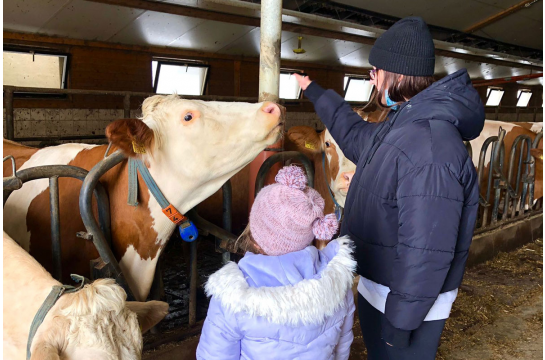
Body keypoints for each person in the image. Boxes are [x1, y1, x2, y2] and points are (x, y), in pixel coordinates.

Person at [294, 16, 485, 360]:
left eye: (375, 71)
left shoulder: (431, 148)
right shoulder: (403, 124)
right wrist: (315, 92)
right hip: (381, 286)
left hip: (405, 305)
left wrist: (400, 327)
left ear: (397, 74)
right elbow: (354, 135)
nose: (371, 78)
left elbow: (427, 250)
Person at [196, 165, 356, 360]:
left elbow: (214, 356)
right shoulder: (337, 281)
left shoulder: (233, 297)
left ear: (255, 237)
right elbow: (342, 346)